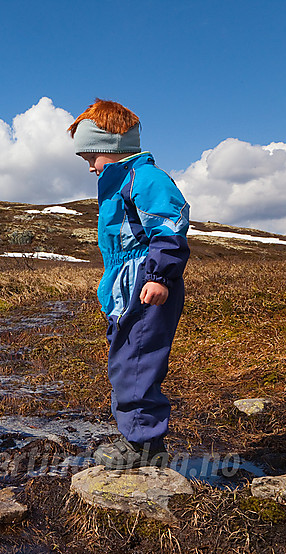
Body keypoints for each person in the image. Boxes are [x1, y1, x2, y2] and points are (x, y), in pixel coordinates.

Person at [68, 99, 190, 469]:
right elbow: (121, 250)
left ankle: (145, 445)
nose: (90, 167)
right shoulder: (119, 183)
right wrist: (110, 285)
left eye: (92, 158)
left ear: (113, 148)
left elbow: (169, 226)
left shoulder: (146, 179)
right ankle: (138, 436)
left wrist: (158, 276)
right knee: (125, 360)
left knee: (136, 363)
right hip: (128, 288)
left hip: (147, 288)